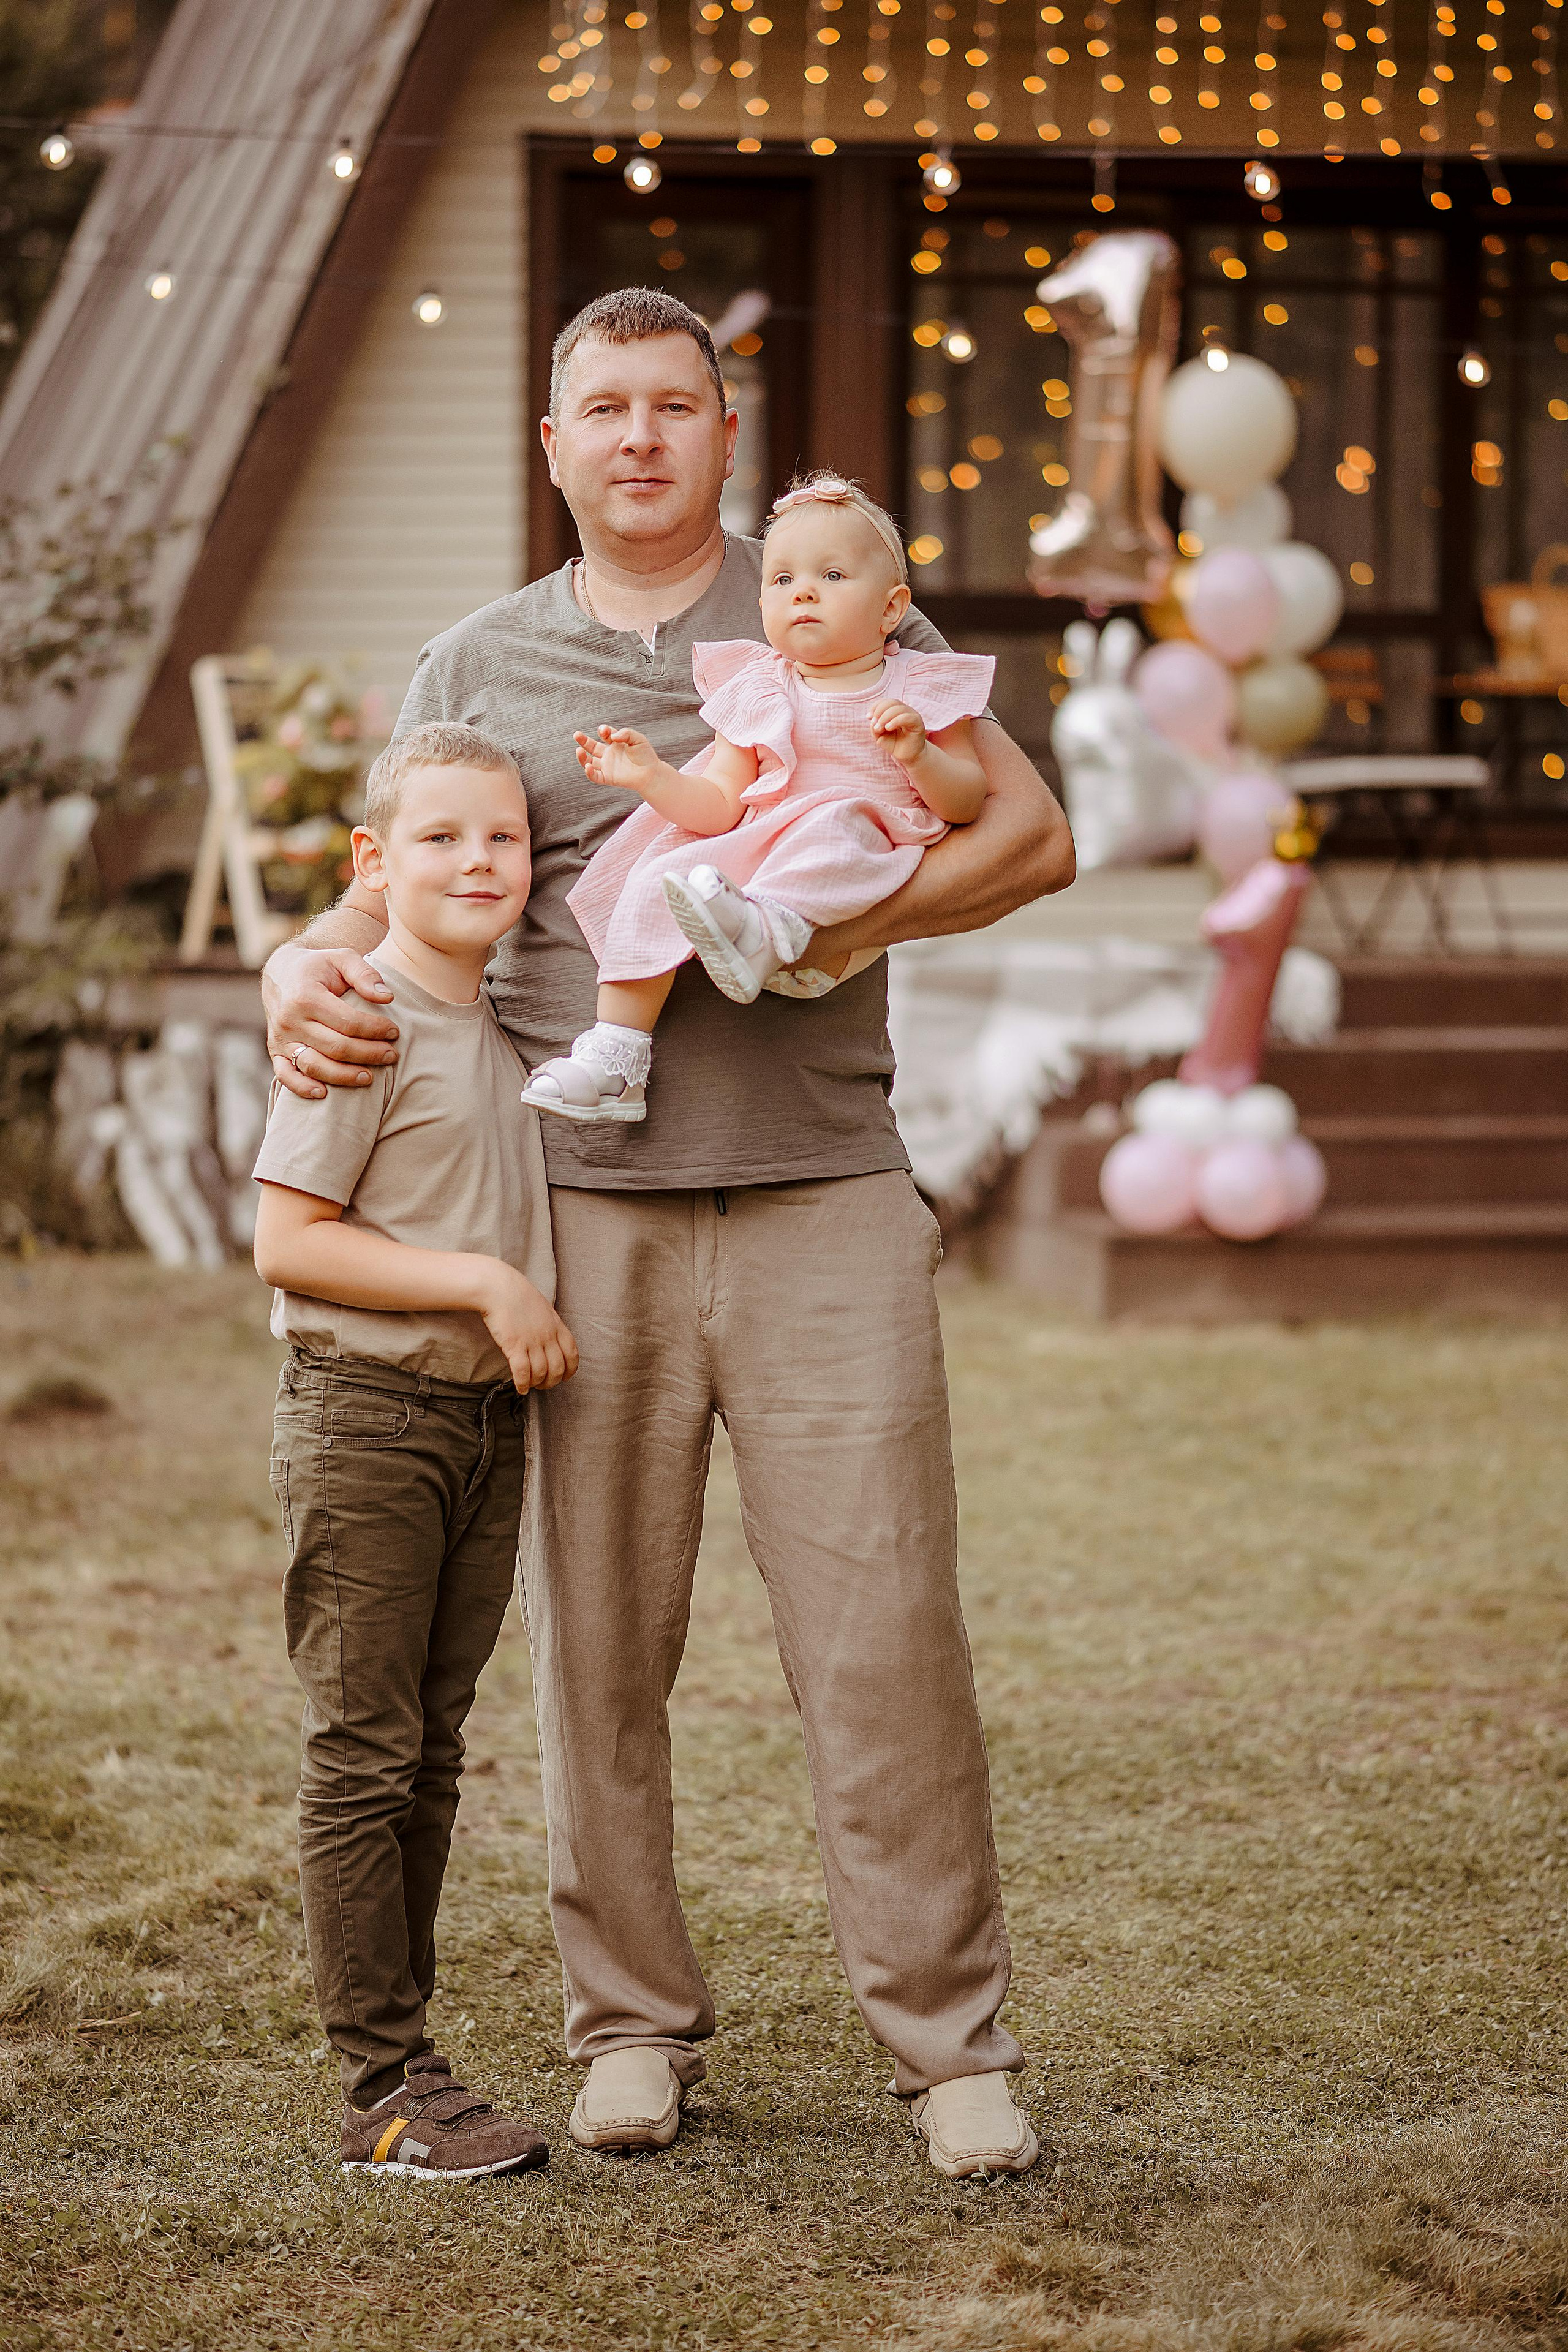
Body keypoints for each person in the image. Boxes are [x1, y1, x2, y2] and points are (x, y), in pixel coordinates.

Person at [262, 287, 1075, 2179]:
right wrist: (299, 966)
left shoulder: (828, 606)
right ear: (555, 446)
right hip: (577, 1218)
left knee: (883, 1627)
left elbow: (1029, 837)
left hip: (825, 1188)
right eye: (605, 408)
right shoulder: (477, 661)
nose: (641, 436)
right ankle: (629, 2024)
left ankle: (948, 2046)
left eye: (675, 405)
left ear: (725, 433)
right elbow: (382, 893)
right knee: (601, 1645)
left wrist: (836, 932)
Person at [252, 722, 577, 2179]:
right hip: (367, 1420)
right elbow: (290, 1239)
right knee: (365, 1751)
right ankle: (379, 2087)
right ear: (372, 863)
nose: (478, 860)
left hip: (479, 1429)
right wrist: (487, 1285)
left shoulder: (496, 1034)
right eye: (440, 836)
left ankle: (412, 2065)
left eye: (503, 836)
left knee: (430, 1753)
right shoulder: (358, 1015)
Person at [521, 472, 992, 1125]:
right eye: (782, 579)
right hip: (756, 858)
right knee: (657, 873)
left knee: (831, 818)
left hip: (847, 879)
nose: (803, 591)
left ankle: (767, 927)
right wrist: (653, 778)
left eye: (832, 576)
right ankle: (616, 1058)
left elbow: (967, 802)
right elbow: (721, 806)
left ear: (891, 610)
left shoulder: (918, 685)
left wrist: (921, 755)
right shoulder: (758, 686)